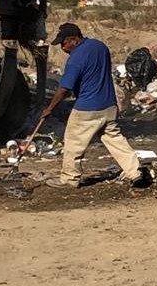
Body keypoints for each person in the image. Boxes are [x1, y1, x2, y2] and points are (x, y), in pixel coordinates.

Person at [40, 23, 146, 188]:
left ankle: (69, 178)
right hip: (109, 105)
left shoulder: (75, 59)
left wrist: (49, 108)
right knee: (115, 139)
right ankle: (135, 172)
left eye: (64, 43)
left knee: (73, 142)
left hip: (87, 108)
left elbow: (64, 89)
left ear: (74, 40)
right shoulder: (100, 46)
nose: (62, 47)